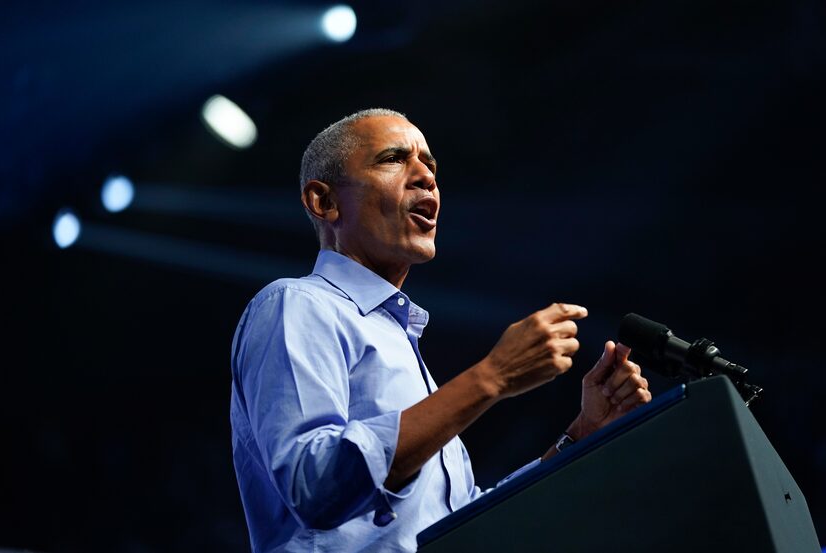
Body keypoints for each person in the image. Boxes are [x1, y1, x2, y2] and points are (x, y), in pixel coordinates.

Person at [229, 108, 652, 552]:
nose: (425, 177)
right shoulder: (297, 305)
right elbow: (312, 485)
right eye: (394, 159)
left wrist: (580, 436)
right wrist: (493, 377)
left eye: (430, 166)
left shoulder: (401, 344)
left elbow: (466, 522)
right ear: (324, 201)